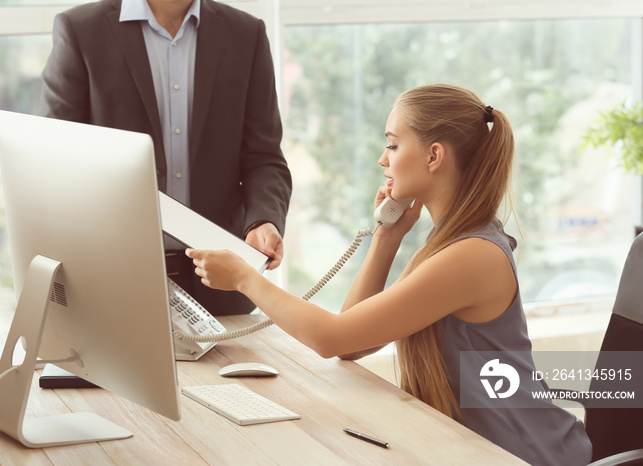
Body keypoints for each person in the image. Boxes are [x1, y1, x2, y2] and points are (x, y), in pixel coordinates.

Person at [186, 84, 593, 465]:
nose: (383, 159)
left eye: (393, 145)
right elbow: (352, 344)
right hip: (474, 448)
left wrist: (245, 278)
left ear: (434, 156)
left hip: (523, 454)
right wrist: (386, 237)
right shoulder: (451, 242)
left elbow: (332, 338)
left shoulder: (471, 255)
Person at [39, 0, 292, 315]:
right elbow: (54, 160)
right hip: (113, 281)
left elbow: (264, 157)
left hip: (221, 285)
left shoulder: (246, 33)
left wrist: (263, 219)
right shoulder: (80, 29)